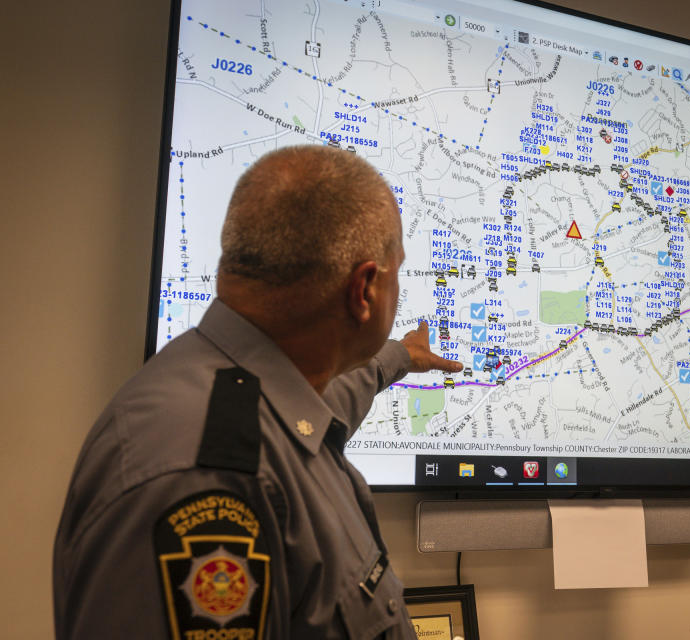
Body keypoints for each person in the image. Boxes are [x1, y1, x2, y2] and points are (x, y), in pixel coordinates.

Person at [53, 145, 462, 639]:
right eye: (398, 270)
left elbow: (331, 399)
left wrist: (398, 357)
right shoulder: (204, 475)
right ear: (365, 290)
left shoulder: (251, 390)